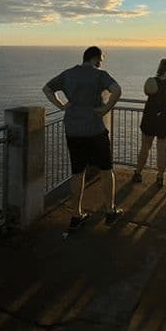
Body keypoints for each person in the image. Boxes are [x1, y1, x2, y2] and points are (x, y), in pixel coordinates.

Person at [43, 46, 123, 230]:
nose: (101, 63)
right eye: (101, 60)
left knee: (77, 172)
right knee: (106, 169)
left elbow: (47, 89)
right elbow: (117, 90)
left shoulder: (68, 74)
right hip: (95, 129)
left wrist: (62, 106)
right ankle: (110, 211)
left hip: (73, 130)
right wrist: (105, 109)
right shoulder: (99, 75)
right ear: (95, 59)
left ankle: (76, 215)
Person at [133, 57, 166, 187]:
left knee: (145, 147)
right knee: (162, 149)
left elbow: (146, 91)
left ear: (159, 67)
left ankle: (138, 173)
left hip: (150, 116)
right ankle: (160, 177)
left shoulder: (150, 81)